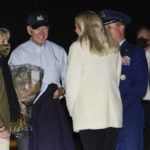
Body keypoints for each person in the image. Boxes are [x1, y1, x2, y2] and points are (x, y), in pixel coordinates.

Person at [8, 11, 74, 150]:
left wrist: (62, 91)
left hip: (51, 110)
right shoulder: (19, 53)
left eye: (45, 28)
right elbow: (11, 85)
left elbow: (68, 80)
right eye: (37, 28)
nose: (42, 32)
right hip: (26, 113)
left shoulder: (59, 51)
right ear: (29, 30)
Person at [66, 10, 123, 150]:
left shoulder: (77, 47)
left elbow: (72, 86)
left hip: (88, 115)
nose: (75, 29)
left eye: (76, 26)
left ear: (83, 27)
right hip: (111, 114)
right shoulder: (114, 47)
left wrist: (73, 112)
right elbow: (116, 81)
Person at [99, 9, 148, 150]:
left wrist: (119, 105)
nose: (106, 31)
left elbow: (140, 85)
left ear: (122, 27)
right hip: (106, 117)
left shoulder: (134, 52)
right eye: (104, 28)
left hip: (129, 116)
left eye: (109, 27)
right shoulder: (102, 54)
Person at [0, 27, 20, 150]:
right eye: (2, 42)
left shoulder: (3, 63)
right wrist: (1, 127)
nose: (7, 44)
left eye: (7, 41)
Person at [136, 25, 150, 150]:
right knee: (141, 134)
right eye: (139, 37)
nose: (141, 40)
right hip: (139, 103)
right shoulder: (134, 55)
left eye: (144, 38)